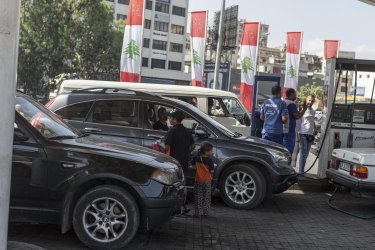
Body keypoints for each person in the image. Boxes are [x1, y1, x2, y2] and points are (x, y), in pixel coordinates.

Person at [164, 109, 195, 214]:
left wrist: (158, 146)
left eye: (170, 117)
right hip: (184, 163)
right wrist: (185, 152)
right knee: (182, 184)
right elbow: (192, 146)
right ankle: (184, 206)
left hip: (173, 163)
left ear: (174, 119)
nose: (169, 119)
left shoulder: (172, 131)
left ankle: (176, 208)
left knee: (173, 185)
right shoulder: (187, 131)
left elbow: (166, 147)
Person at [191, 141, 215, 218]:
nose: (212, 152)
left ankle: (197, 213)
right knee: (206, 197)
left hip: (198, 180)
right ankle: (205, 213)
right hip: (207, 180)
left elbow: (191, 163)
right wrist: (213, 168)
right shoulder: (210, 161)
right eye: (211, 150)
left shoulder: (196, 158)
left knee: (198, 197)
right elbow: (211, 171)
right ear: (206, 151)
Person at [283, 89, 307, 154]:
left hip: (283, 130)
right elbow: (297, 116)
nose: (296, 96)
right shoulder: (291, 103)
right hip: (289, 131)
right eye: (295, 94)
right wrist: (304, 108)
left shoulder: (283, 101)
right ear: (291, 94)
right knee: (287, 152)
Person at [298, 95, 317, 174]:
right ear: (306, 100)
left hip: (310, 135)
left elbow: (312, 120)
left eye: (312, 101)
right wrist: (296, 135)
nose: (310, 102)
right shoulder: (302, 109)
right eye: (309, 100)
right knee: (303, 154)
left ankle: (302, 171)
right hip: (302, 134)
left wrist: (315, 128)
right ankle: (301, 172)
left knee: (306, 154)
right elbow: (297, 122)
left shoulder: (313, 110)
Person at [291, 98, 302, 168]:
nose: (297, 104)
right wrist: (296, 136)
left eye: (298, 102)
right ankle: (291, 169)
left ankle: (293, 169)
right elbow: (293, 126)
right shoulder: (293, 113)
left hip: (300, 135)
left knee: (296, 155)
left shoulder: (299, 112)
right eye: (296, 102)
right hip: (294, 136)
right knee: (293, 156)